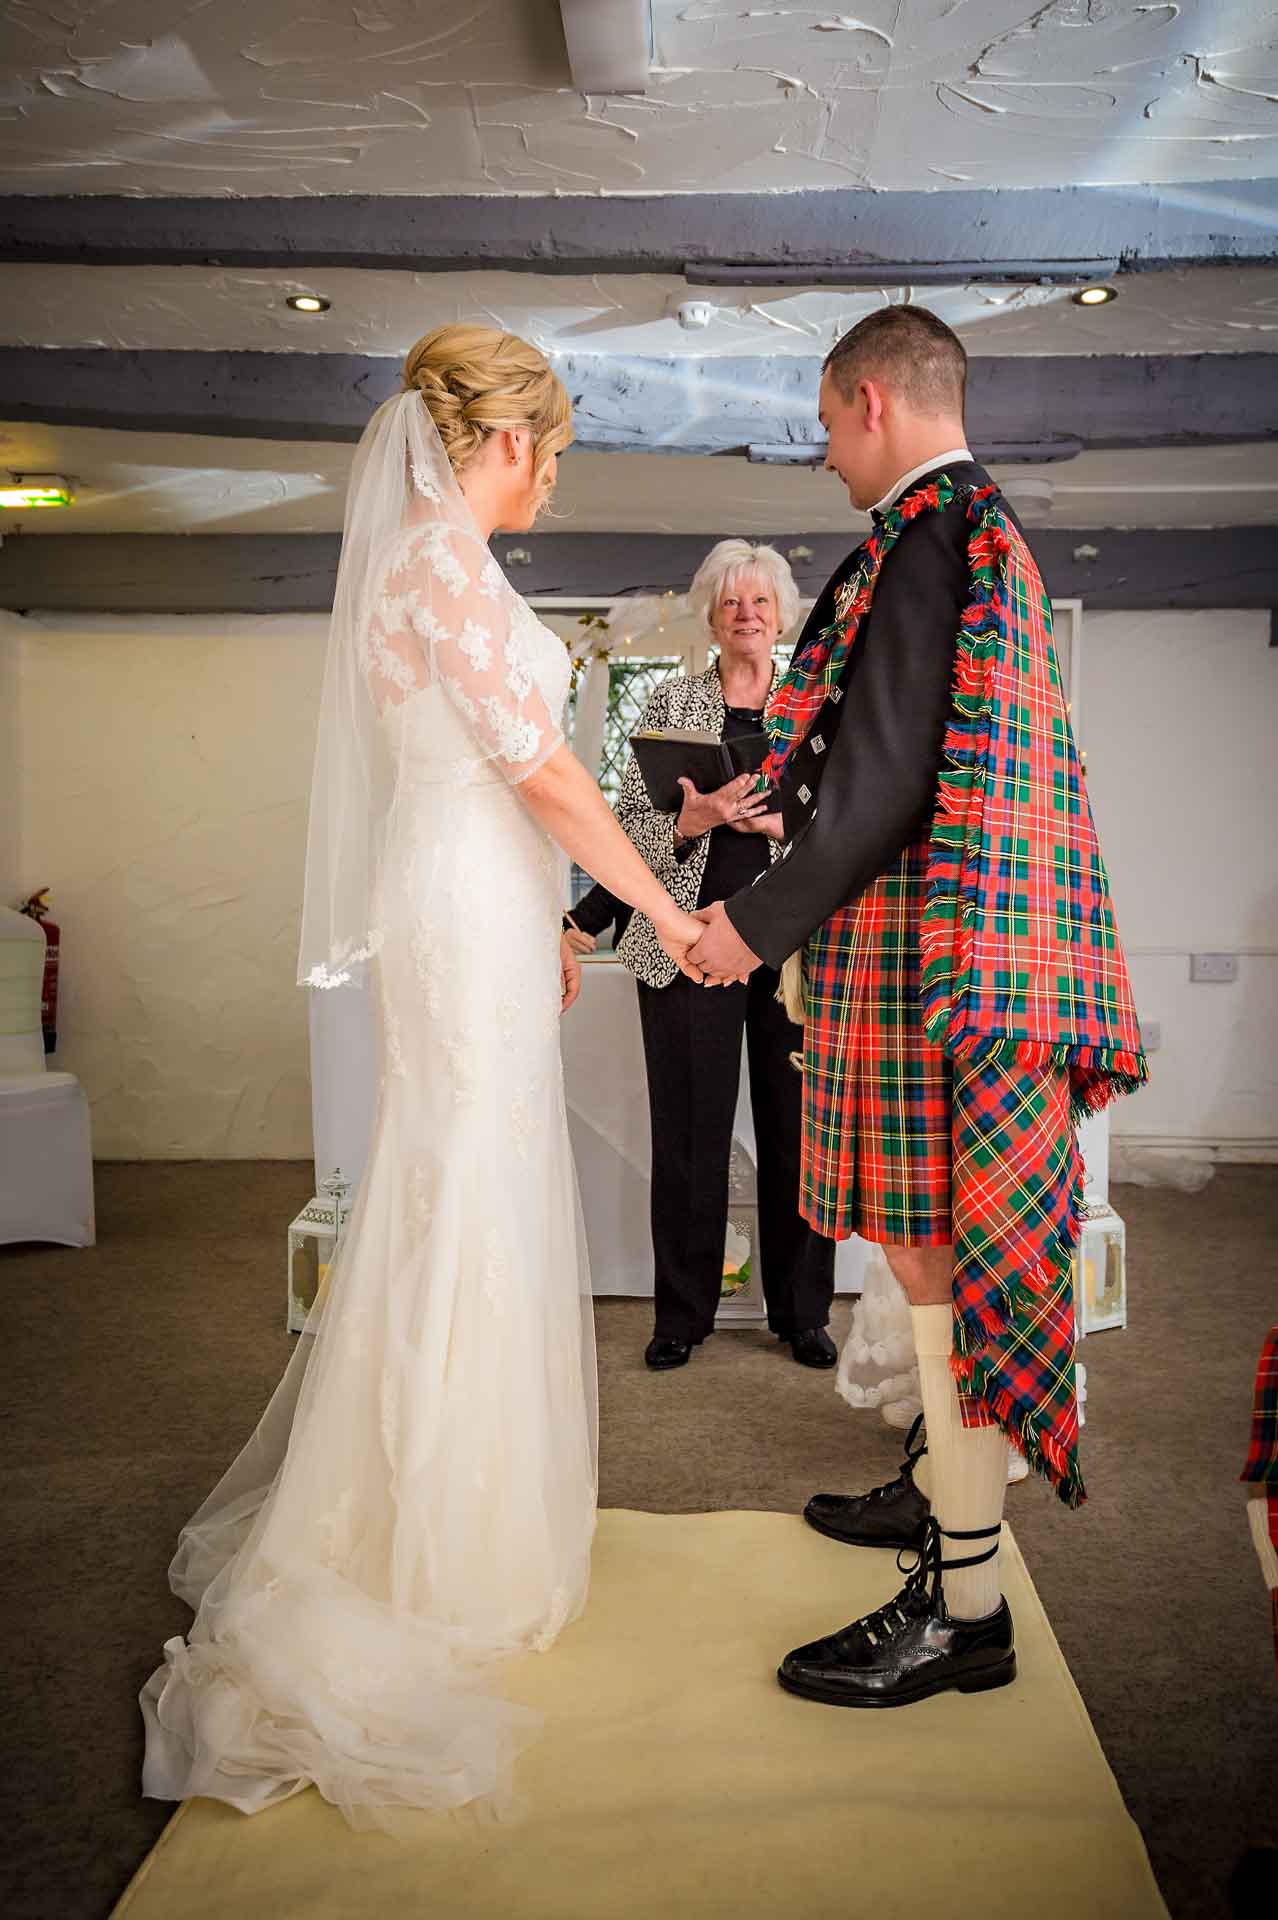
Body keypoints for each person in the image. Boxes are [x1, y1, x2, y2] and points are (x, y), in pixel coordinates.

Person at [138, 325, 706, 1828]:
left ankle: (457, 1515)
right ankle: (439, 1549)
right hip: (455, 893)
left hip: (469, 896)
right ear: (501, 443)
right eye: (554, 453)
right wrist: (655, 909)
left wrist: (543, 911)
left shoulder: (428, 566)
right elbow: (539, 770)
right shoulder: (444, 569)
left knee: (466, 1179)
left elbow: (497, 780)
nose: (555, 480)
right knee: (463, 1192)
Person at [689, 306, 1146, 1706]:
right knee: (922, 1261)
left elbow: (886, 785)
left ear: (868, 397)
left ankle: (965, 1605)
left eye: (827, 424)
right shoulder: (952, 526)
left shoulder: (931, 532)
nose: (824, 454)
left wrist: (746, 930)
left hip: (929, 971)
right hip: (941, 960)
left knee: (940, 1267)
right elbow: (875, 762)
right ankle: (945, 1505)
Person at [606, 540, 837, 1372]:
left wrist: (779, 826)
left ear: (782, 617)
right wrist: (690, 822)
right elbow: (620, 837)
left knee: (800, 1137)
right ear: (710, 617)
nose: (747, 614)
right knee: (690, 1137)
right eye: (732, 602)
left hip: (794, 953)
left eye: (762, 602)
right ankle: (682, 1316)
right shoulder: (670, 702)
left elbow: (847, 828)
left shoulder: (815, 709)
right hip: (687, 947)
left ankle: (802, 1311)